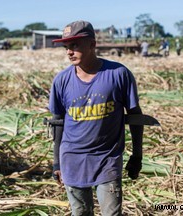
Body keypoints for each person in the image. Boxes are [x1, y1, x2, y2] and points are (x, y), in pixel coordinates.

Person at [49, 20, 144, 215]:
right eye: (66, 46)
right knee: (80, 213)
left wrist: (137, 155)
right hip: (72, 161)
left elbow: (135, 117)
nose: (69, 51)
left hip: (106, 160)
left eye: (75, 45)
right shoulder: (61, 81)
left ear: (92, 44)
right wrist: (57, 162)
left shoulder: (118, 74)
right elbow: (58, 123)